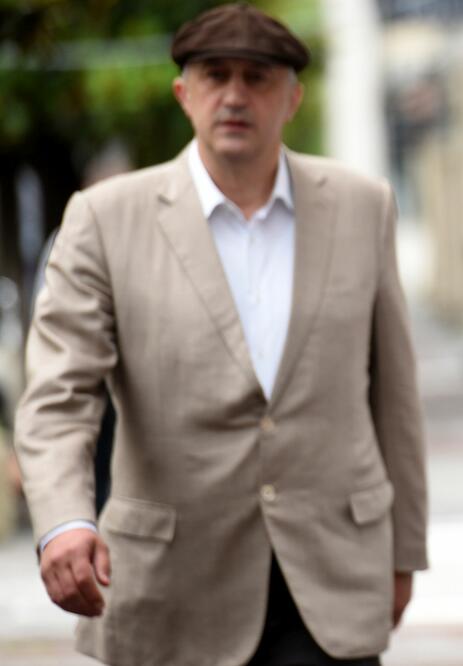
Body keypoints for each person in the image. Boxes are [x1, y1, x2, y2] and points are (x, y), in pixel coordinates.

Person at [14, 4, 428, 665]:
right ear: (184, 93)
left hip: (329, 582)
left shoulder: (362, 205)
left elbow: (395, 396)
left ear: (292, 98)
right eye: (215, 75)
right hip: (173, 590)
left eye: (257, 77)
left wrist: (404, 550)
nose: (235, 95)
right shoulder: (104, 218)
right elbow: (60, 393)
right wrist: (65, 520)